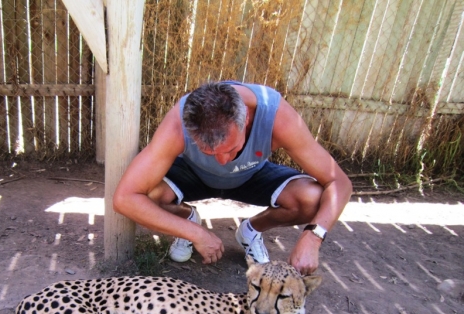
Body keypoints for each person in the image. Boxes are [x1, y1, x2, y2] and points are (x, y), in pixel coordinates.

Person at [113, 81, 352, 275]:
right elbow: (125, 198)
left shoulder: (278, 116)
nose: (223, 162)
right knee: (151, 195)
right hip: (194, 174)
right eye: (210, 152)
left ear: (246, 117)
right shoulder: (178, 124)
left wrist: (313, 237)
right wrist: (195, 233)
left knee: (311, 199)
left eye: (232, 149)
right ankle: (189, 218)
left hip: (251, 174)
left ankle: (251, 230)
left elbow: (339, 182)